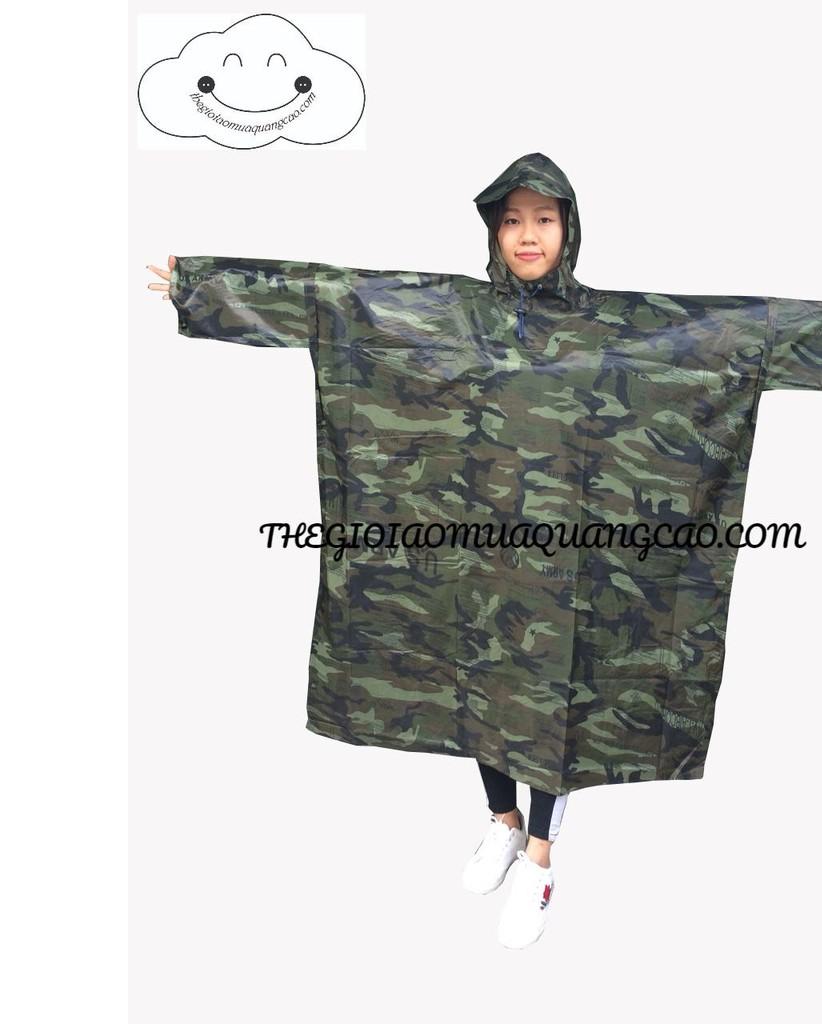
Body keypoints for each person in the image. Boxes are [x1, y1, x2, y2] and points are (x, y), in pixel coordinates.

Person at [146, 181, 575, 950]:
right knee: (478, 685)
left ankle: (541, 861)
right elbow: (335, 298)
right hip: (468, 546)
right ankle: (504, 822)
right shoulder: (449, 310)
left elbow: (731, 333)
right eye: (512, 220)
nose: (527, 234)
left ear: (568, 228)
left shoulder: (611, 324)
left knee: (544, 698)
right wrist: (206, 284)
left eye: (544, 219)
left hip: (560, 557)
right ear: (493, 232)